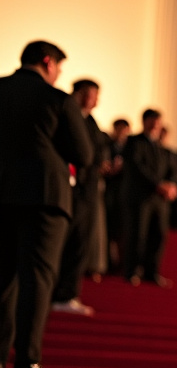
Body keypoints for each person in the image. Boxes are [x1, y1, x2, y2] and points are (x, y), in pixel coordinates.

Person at [0, 41, 94, 368]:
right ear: (47, 62)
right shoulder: (56, 99)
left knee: (2, 280)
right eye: (59, 68)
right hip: (44, 196)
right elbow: (82, 154)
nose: (58, 74)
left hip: (2, 192)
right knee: (37, 280)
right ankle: (27, 365)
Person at [51, 79, 106, 316]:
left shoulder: (93, 124)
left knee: (80, 243)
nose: (94, 100)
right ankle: (55, 293)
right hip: (66, 189)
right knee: (59, 243)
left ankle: (68, 293)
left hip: (88, 193)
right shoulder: (64, 114)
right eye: (90, 94)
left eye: (96, 95)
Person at [122, 109, 177, 287]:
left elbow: (172, 170)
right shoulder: (134, 142)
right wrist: (158, 185)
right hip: (141, 197)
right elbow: (137, 168)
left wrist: (172, 185)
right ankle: (131, 271)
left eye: (158, 122)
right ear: (145, 121)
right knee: (138, 234)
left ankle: (151, 272)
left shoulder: (161, 147)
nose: (155, 125)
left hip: (159, 200)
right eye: (152, 121)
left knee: (159, 235)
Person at [103, 118, 130, 272]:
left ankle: (121, 264)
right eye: (119, 129)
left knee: (122, 231)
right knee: (108, 230)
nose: (121, 133)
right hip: (109, 193)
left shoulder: (130, 147)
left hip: (124, 194)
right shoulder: (107, 145)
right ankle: (109, 263)